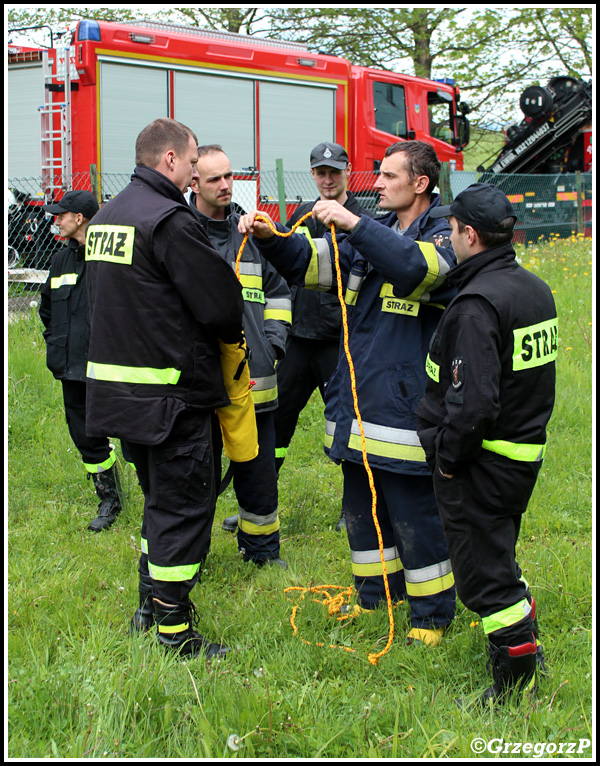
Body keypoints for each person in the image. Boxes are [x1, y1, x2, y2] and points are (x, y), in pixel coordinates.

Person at [239, 140, 456, 646]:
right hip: (360, 403)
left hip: (406, 410)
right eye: (377, 175)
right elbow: (314, 265)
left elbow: (418, 269)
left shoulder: (443, 232)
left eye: (388, 176)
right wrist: (273, 239)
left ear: (420, 184)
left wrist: (357, 224)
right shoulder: (379, 232)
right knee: (363, 513)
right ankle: (377, 598)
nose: (375, 183)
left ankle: (430, 618)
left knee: (414, 516)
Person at [85, 118, 246, 659]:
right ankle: (175, 634)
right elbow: (220, 306)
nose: (199, 168)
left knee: (160, 502)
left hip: (122, 396)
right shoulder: (169, 219)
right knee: (183, 509)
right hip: (173, 398)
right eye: (195, 158)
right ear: (171, 160)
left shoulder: (108, 216)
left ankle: (148, 606)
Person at [416, 183, 557, 703]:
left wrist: (449, 461)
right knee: (498, 554)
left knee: (484, 578)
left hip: (482, 465)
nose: (448, 238)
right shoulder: (534, 288)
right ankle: (528, 643)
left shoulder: (477, 305)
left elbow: (473, 406)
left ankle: (515, 688)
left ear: (469, 235)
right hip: (519, 457)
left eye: (451, 230)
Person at [187, 144, 291, 568]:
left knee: (258, 474)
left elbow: (280, 293)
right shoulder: (181, 234)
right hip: (202, 386)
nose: (227, 185)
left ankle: (262, 551)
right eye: (215, 179)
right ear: (194, 183)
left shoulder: (251, 235)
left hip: (256, 381)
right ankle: (190, 555)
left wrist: (274, 342)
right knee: (196, 477)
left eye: (230, 175)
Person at [273, 142, 372, 533]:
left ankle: (353, 511)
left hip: (340, 341)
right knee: (276, 422)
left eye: (334, 171)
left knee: (349, 426)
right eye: (320, 172)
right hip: (299, 340)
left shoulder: (362, 220)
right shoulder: (300, 215)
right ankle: (262, 502)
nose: (327, 179)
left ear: (348, 170)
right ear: (312, 174)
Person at [39, 190, 123, 533]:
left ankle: (159, 494)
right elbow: (47, 307)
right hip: (70, 367)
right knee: (85, 436)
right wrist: (56, 340)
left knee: (132, 433)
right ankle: (109, 498)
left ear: (81, 218)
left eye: (62, 214)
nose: (56, 220)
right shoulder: (61, 260)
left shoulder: (107, 257)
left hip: (108, 366)